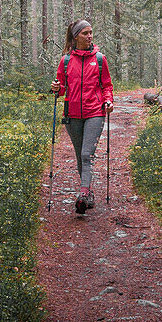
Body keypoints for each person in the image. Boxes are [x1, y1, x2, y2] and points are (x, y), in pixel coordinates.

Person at [50, 19, 113, 214]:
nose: (90, 36)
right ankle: (89, 192)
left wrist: (108, 101)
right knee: (80, 156)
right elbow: (60, 89)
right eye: (85, 33)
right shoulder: (66, 61)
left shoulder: (100, 59)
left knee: (87, 154)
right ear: (76, 36)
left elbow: (107, 86)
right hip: (73, 115)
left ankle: (83, 194)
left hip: (95, 112)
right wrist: (55, 88)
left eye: (91, 32)